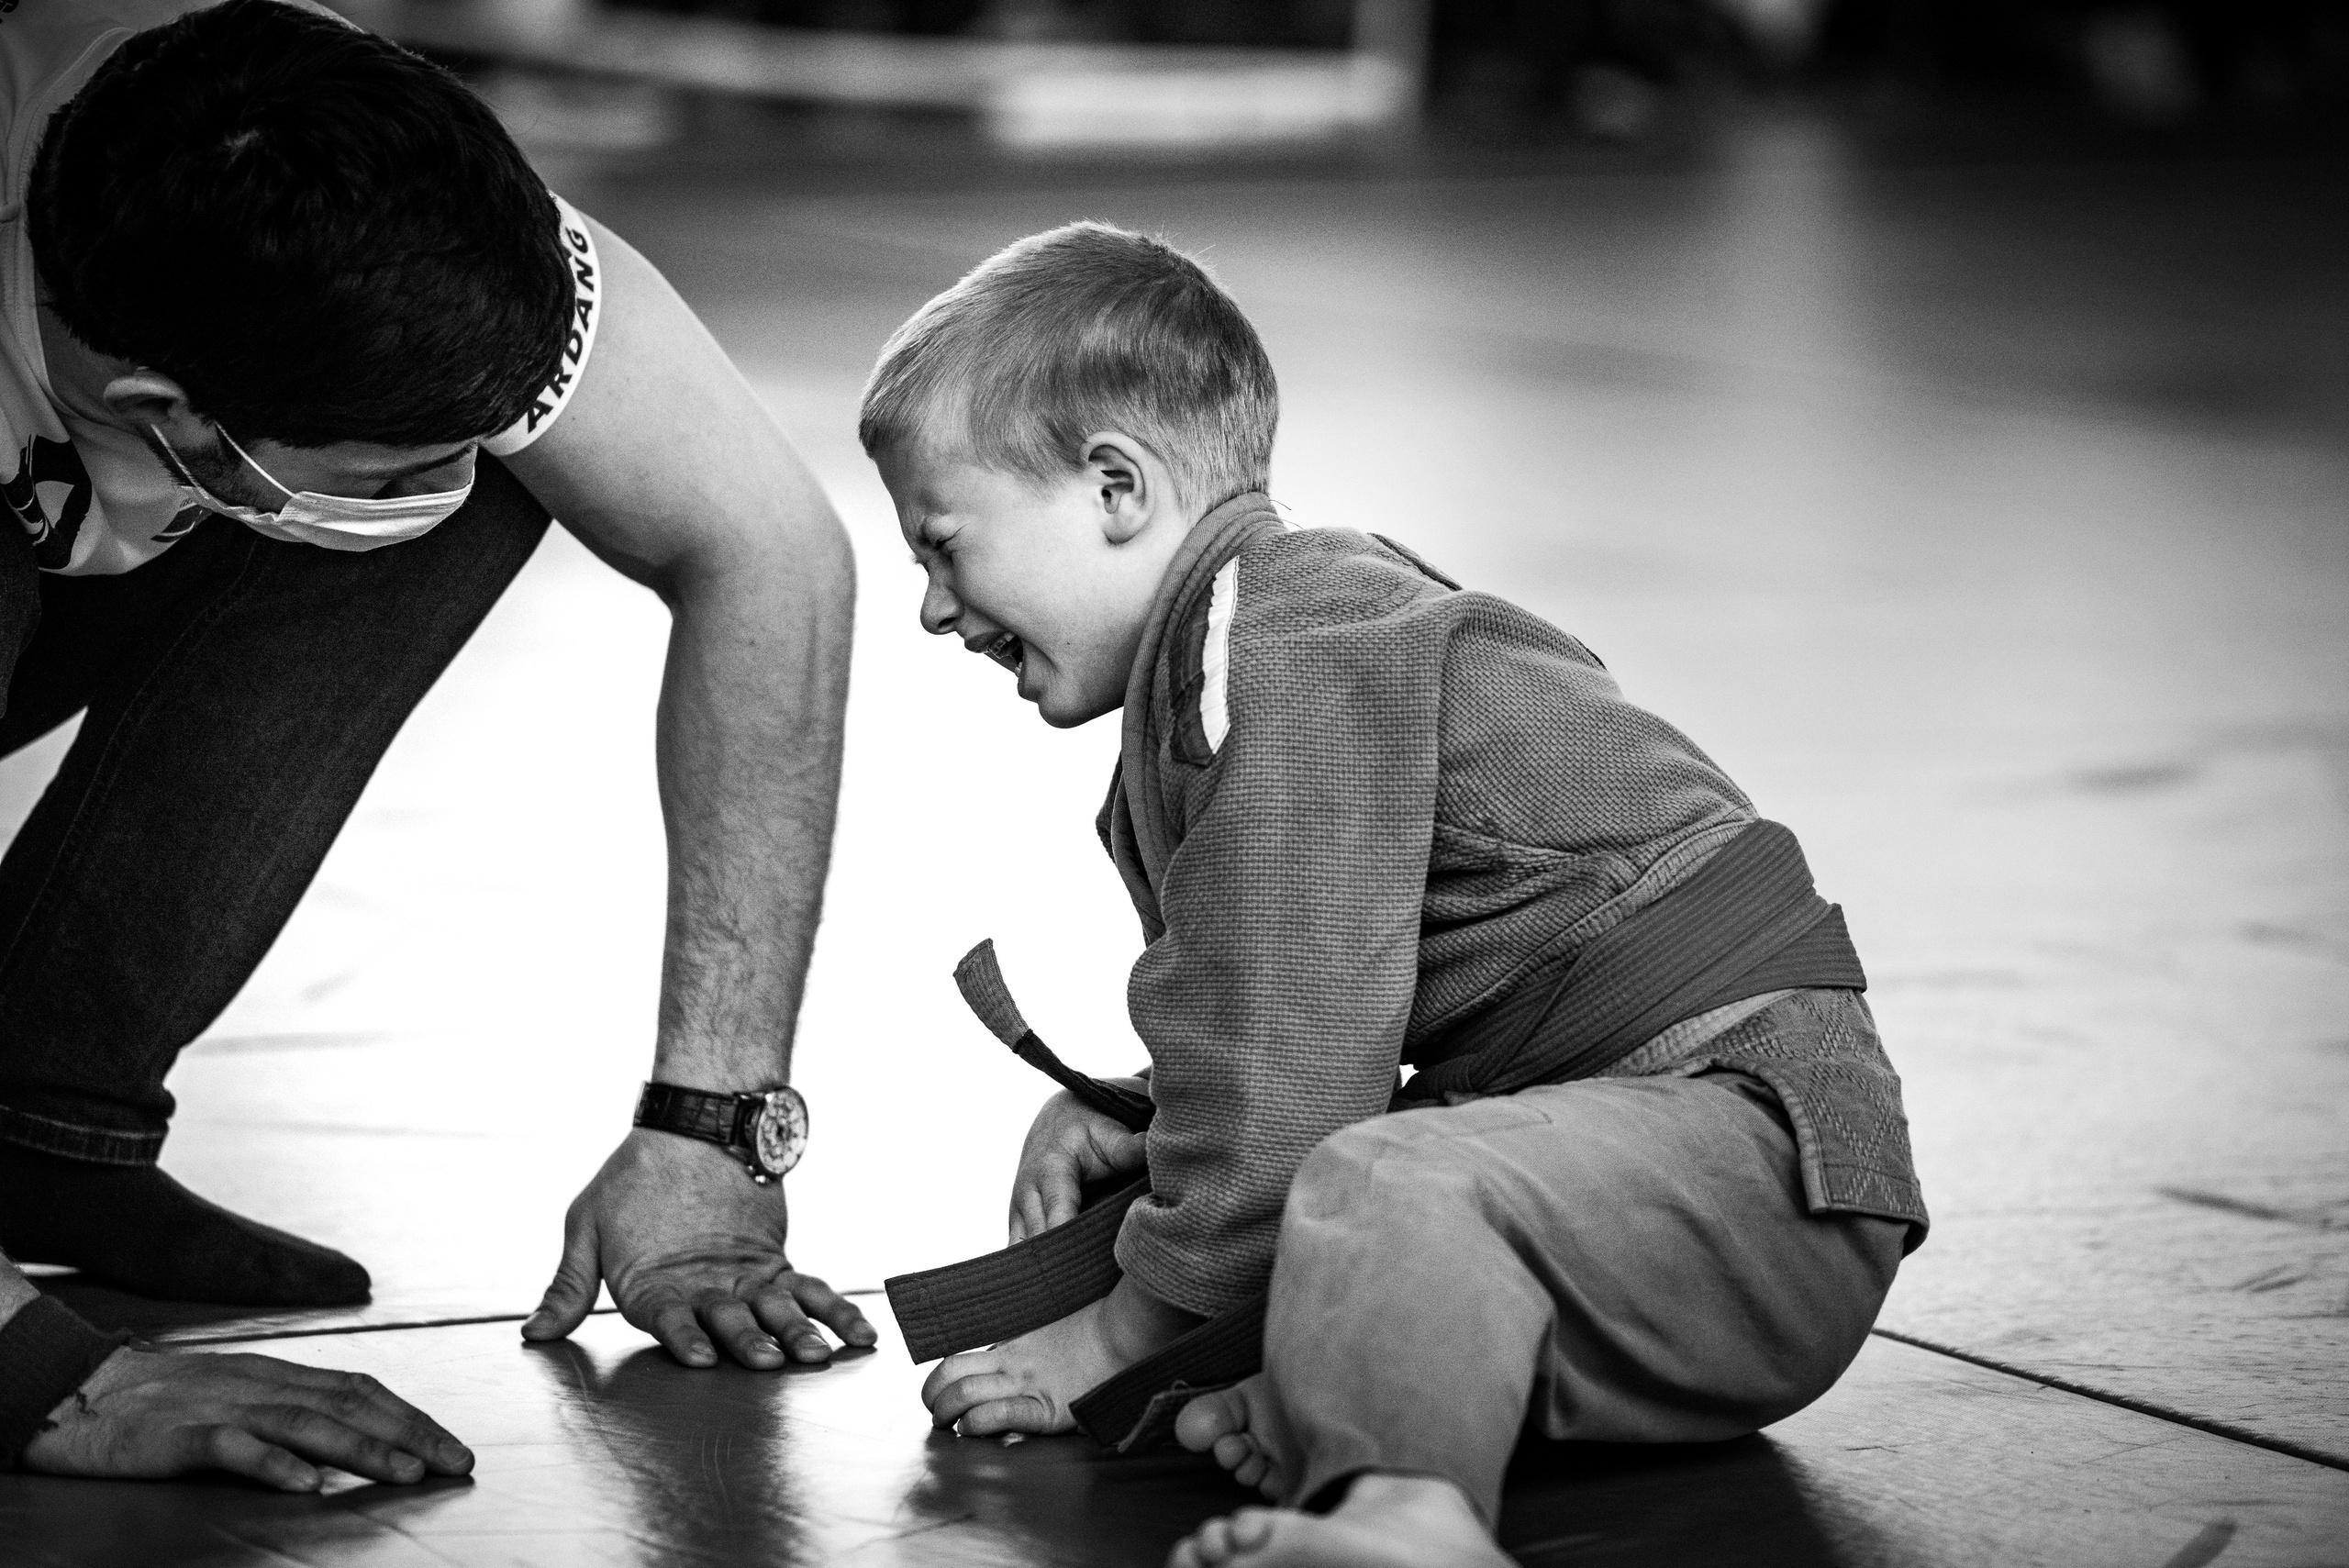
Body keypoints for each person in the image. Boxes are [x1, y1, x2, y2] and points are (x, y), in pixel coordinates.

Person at [861, 222, 1928, 1568]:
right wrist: (1149, 1108)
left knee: (1362, 1185)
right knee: (1261, 1195)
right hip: (1636, 1210)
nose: (933, 609)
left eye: (944, 547)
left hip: (1759, 1177)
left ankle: (1413, 1513)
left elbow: (1294, 1056)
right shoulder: (1224, 672)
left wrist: (1119, 1334)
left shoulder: (1283, 642)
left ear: (1116, 488)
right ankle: (1354, 1402)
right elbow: (1284, 1009)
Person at [0, 0, 870, 1481]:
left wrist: (711, 1129)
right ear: (171, 415)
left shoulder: (362, 184)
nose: (433, 478)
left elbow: (771, 555)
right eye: (390, 466)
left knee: (506, 467)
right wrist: (48, 1383)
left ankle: (43, 1120)